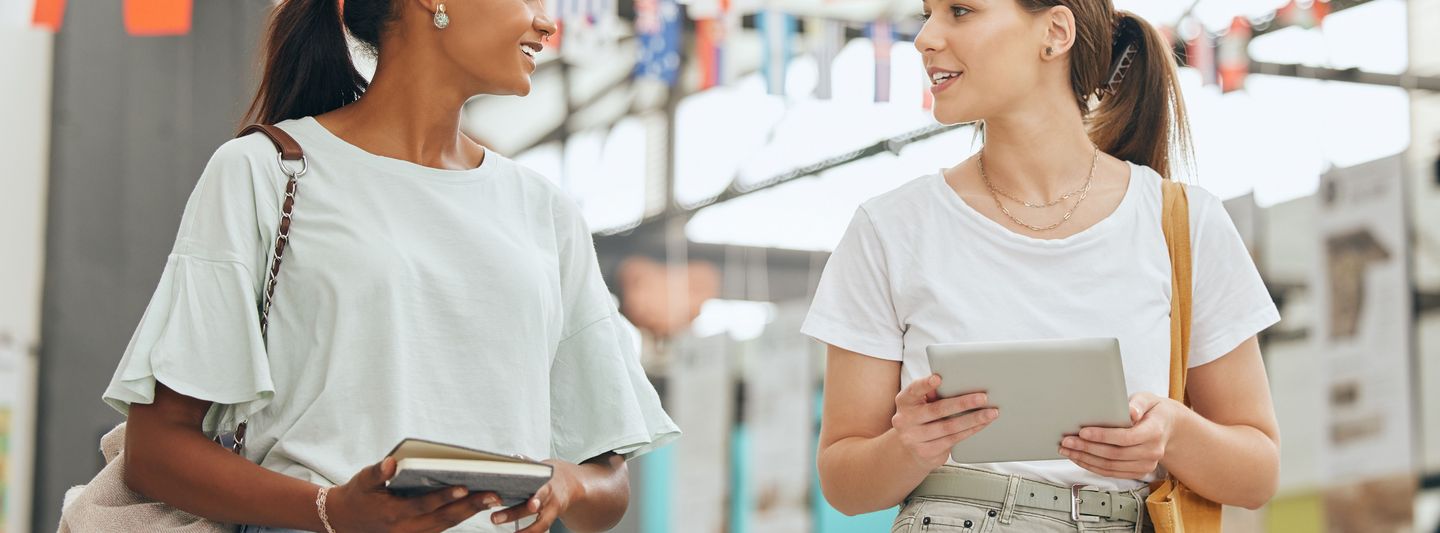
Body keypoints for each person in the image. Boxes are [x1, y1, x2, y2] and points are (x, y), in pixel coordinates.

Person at [104, 0, 679, 531]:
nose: (546, 22)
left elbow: (609, 480)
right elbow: (155, 453)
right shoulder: (264, 172)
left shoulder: (544, 212)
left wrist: (568, 481)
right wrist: (332, 511)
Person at [804, 1, 1281, 530]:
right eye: (926, 14)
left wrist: (1173, 434)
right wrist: (908, 446)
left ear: (1055, 32)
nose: (924, 38)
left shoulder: (1185, 223)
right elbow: (842, 483)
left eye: (959, 11)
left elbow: (1257, 475)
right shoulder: (888, 228)